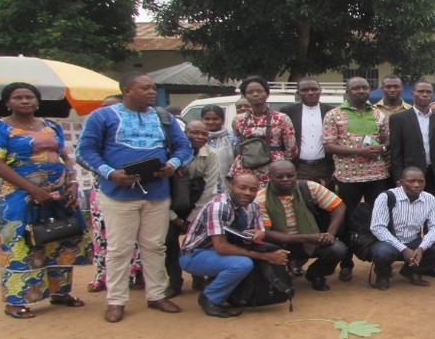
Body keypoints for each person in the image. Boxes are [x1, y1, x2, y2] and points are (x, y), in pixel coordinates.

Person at [76, 72, 194, 323]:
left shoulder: (164, 118)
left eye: (153, 88)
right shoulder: (103, 116)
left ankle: (156, 295)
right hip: (118, 194)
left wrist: (172, 164)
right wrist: (111, 174)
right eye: (145, 88)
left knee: (155, 246)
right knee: (119, 249)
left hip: (157, 194)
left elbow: (185, 147)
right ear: (127, 91)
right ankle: (116, 300)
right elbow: (84, 152)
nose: (152, 92)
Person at [0, 82, 90, 319]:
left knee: (59, 238)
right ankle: (16, 300)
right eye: (18, 98)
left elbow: (64, 156)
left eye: (29, 97)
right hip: (20, 196)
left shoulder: (51, 127)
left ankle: (60, 292)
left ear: (37, 101)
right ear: (7, 102)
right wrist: (34, 190)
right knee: (22, 243)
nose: (24, 102)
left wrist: (72, 183)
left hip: (58, 193)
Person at [179, 173, 289, 318]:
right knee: (242, 264)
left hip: (221, 253)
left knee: (254, 256)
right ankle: (210, 298)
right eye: (242, 188)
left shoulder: (254, 206)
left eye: (252, 189)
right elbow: (221, 247)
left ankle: (230, 292)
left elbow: (259, 231)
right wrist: (266, 256)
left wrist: (259, 233)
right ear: (230, 187)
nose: (247, 193)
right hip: (196, 254)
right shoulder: (219, 206)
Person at [322, 76, 390, 282]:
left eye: (365, 87)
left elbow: (387, 139)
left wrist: (382, 147)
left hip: (378, 175)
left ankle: (380, 264)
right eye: (356, 88)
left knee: (378, 220)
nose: (361, 91)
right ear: (348, 92)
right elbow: (328, 145)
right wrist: (360, 151)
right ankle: (346, 263)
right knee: (347, 220)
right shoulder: (334, 115)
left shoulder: (379, 114)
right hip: (347, 177)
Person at [255, 160, 347, 291]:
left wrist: (330, 234)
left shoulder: (309, 188)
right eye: (279, 176)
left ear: (296, 175)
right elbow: (266, 233)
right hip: (280, 244)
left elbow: (339, 206)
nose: (286, 179)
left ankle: (316, 274)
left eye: (290, 175)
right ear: (269, 177)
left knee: (338, 249)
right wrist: (307, 238)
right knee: (279, 285)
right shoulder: (260, 199)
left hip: (313, 239)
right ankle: (289, 266)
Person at [86, 95, 143, 294]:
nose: (106, 112)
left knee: (134, 236)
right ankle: (102, 276)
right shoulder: (94, 132)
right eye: (103, 107)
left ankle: (134, 273)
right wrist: (108, 172)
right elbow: (81, 156)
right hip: (104, 189)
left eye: (112, 107)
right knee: (104, 236)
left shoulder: (134, 131)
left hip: (135, 189)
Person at [369, 167, 435, 290]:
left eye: (421, 181)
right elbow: (378, 228)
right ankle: (383, 274)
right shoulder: (386, 197)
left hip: (414, 242)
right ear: (401, 183)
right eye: (411, 181)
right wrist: (403, 249)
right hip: (390, 242)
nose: (416, 185)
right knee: (382, 252)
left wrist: (421, 247)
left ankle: (412, 270)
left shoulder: (429, 199)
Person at [164, 120, 221, 298]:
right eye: (194, 132)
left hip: (198, 206)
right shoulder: (170, 155)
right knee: (169, 242)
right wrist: (174, 218)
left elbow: (210, 189)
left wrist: (193, 218)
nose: (200, 137)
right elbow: (160, 191)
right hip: (169, 206)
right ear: (184, 133)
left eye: (204, 134)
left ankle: (199, 278)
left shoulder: (212, 155)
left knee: (200, 243)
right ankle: (174, 282)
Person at [389, 80, 435, 205]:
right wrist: (399, 178)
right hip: (409, 176)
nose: (425, 94)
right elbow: (396, 152)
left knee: (433, 213)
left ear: (432, 95)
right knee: (409, 215)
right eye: (421, 91)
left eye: (428, 92)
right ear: (412, 94)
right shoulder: (398, 119)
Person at [230, 76, 297, 182]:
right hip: (246, 166)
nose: (255, 94)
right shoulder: (238, 119)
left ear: (267, 94)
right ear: (245, 96)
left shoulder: (282, 118)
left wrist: (280, 162)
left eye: (259, 91)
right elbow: (240, 141)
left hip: (273, 167)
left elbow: (291, 148)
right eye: (250, 92)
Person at [280, 77, 335, 184]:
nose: (310, 93)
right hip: (298, 167)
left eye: (314, 89)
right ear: (298, 93)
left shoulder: (331, 111)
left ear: (320, 90)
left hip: (325, 167)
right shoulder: (287, 112)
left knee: (326, 199)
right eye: (305, 90)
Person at [200, 104, 236, 189]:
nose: (211, 122)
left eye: (215, 119)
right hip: (202, 185)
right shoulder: (197, 138)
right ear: (202, 119)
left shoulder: (231, 138)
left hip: (225, 185)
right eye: (207, 119)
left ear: (223, 120)